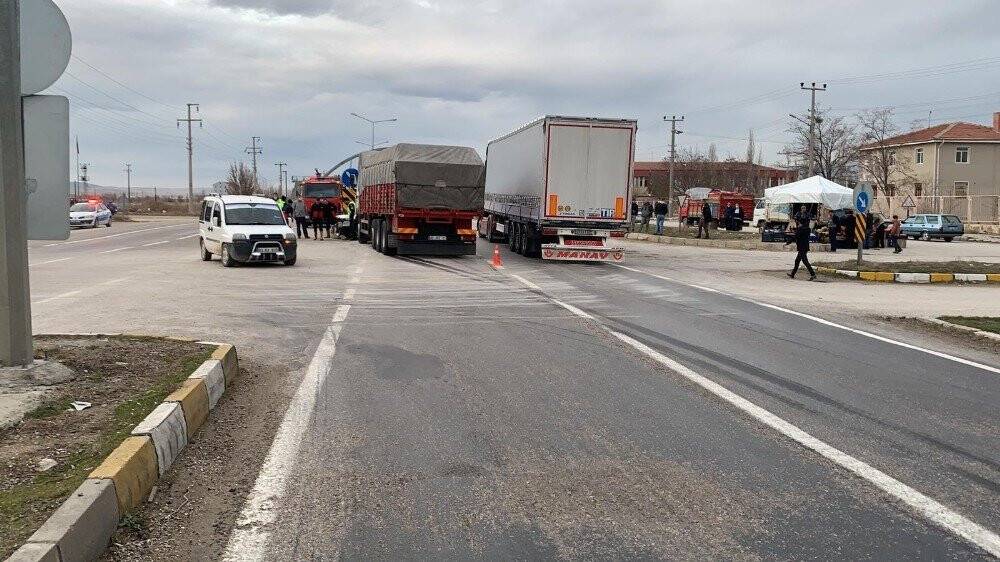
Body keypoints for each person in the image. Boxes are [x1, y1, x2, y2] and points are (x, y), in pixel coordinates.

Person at [787, 214, 816, 280]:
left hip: (802, 247)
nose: (797, 223)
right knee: (797, 261)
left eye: (798, 222)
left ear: (800, 222)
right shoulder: (808, 229)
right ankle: (792, 274)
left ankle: (813, 274)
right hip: (805, 247)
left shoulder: (801, 229)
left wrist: (788, 242)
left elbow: (795, 237)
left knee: (805, 261)